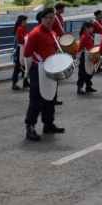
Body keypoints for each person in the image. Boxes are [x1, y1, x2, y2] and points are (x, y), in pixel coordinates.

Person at [23, 8, 65, 141]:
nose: (48, 19)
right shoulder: (35, 33)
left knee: (51, 97)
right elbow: (27, 53)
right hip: (39, 69)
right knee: (36, 99)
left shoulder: (52, 33)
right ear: (41, 19)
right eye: (46, 17)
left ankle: (48, 123)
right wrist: (31, 70)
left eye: (51, 17)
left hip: (51, 69)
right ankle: (30, 126)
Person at [75, 22, 97, 95]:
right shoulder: (84, 37)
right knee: (83, 72)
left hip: (90, 55)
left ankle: (88, 86)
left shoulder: (90, 36)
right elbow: (80, 48)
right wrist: (77, 57)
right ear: (86, 28)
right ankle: (79, 87)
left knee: (90, 71)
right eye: (91, 27)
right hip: (84, 55)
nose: (92, 29)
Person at [11, 15, 29, 90]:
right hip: (21, 48)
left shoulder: (22, 28)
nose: (27, 22)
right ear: (23, 21)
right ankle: (14, 82)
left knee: (24, 65)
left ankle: (25, 81)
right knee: (19, 65)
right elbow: (21, 40)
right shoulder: (20, 29)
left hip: (23, 47)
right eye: (26, 20)